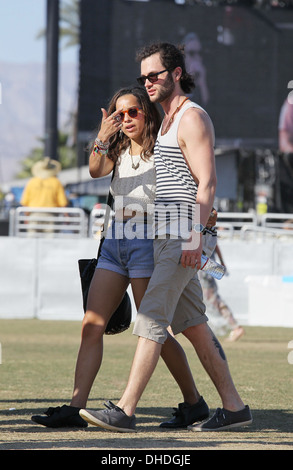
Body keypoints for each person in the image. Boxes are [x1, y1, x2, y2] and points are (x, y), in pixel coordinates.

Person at [80, 42, 252, 433]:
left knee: (152, 315)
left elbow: (207, 181)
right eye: (143, 77)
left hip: (181, 235)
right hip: (165, 235)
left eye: (154, 75)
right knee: (193, 324)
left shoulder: (191, 118)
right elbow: (101, 167)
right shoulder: (169, 121)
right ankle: (235, 408)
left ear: (176, 74)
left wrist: (195, 235)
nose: (147, 83)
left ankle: (125, 409)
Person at [31, 86, 216, 429]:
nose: (126, 119)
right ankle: (75, 409)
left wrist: (198, 235)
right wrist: (102, 136)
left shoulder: (165, 150)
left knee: (153, 330)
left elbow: (198, 184)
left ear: (147, 113)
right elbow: (94, 170)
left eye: (133, 112)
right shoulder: (116, 148)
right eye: (119, 114)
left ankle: (194, 402)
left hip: (150, 242)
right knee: (92, 325)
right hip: (115, 242)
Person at [199, 244, 245, 342]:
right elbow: (215, 244)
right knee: (210, 299)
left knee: (213, 299)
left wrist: (221, 262)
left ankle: (235, 327)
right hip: (206, 264)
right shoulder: (207, 230)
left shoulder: (199, 229)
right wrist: (222, 262)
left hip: (204, 266)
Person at [20, 157, 68, 235]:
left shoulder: (32, 182)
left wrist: (27, 217)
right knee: (50, 242)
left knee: (32, 242)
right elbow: (62, 203)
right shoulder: (56, 182)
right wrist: (67, 216)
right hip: (51, 216)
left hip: (34, 215)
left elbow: (25, 202)